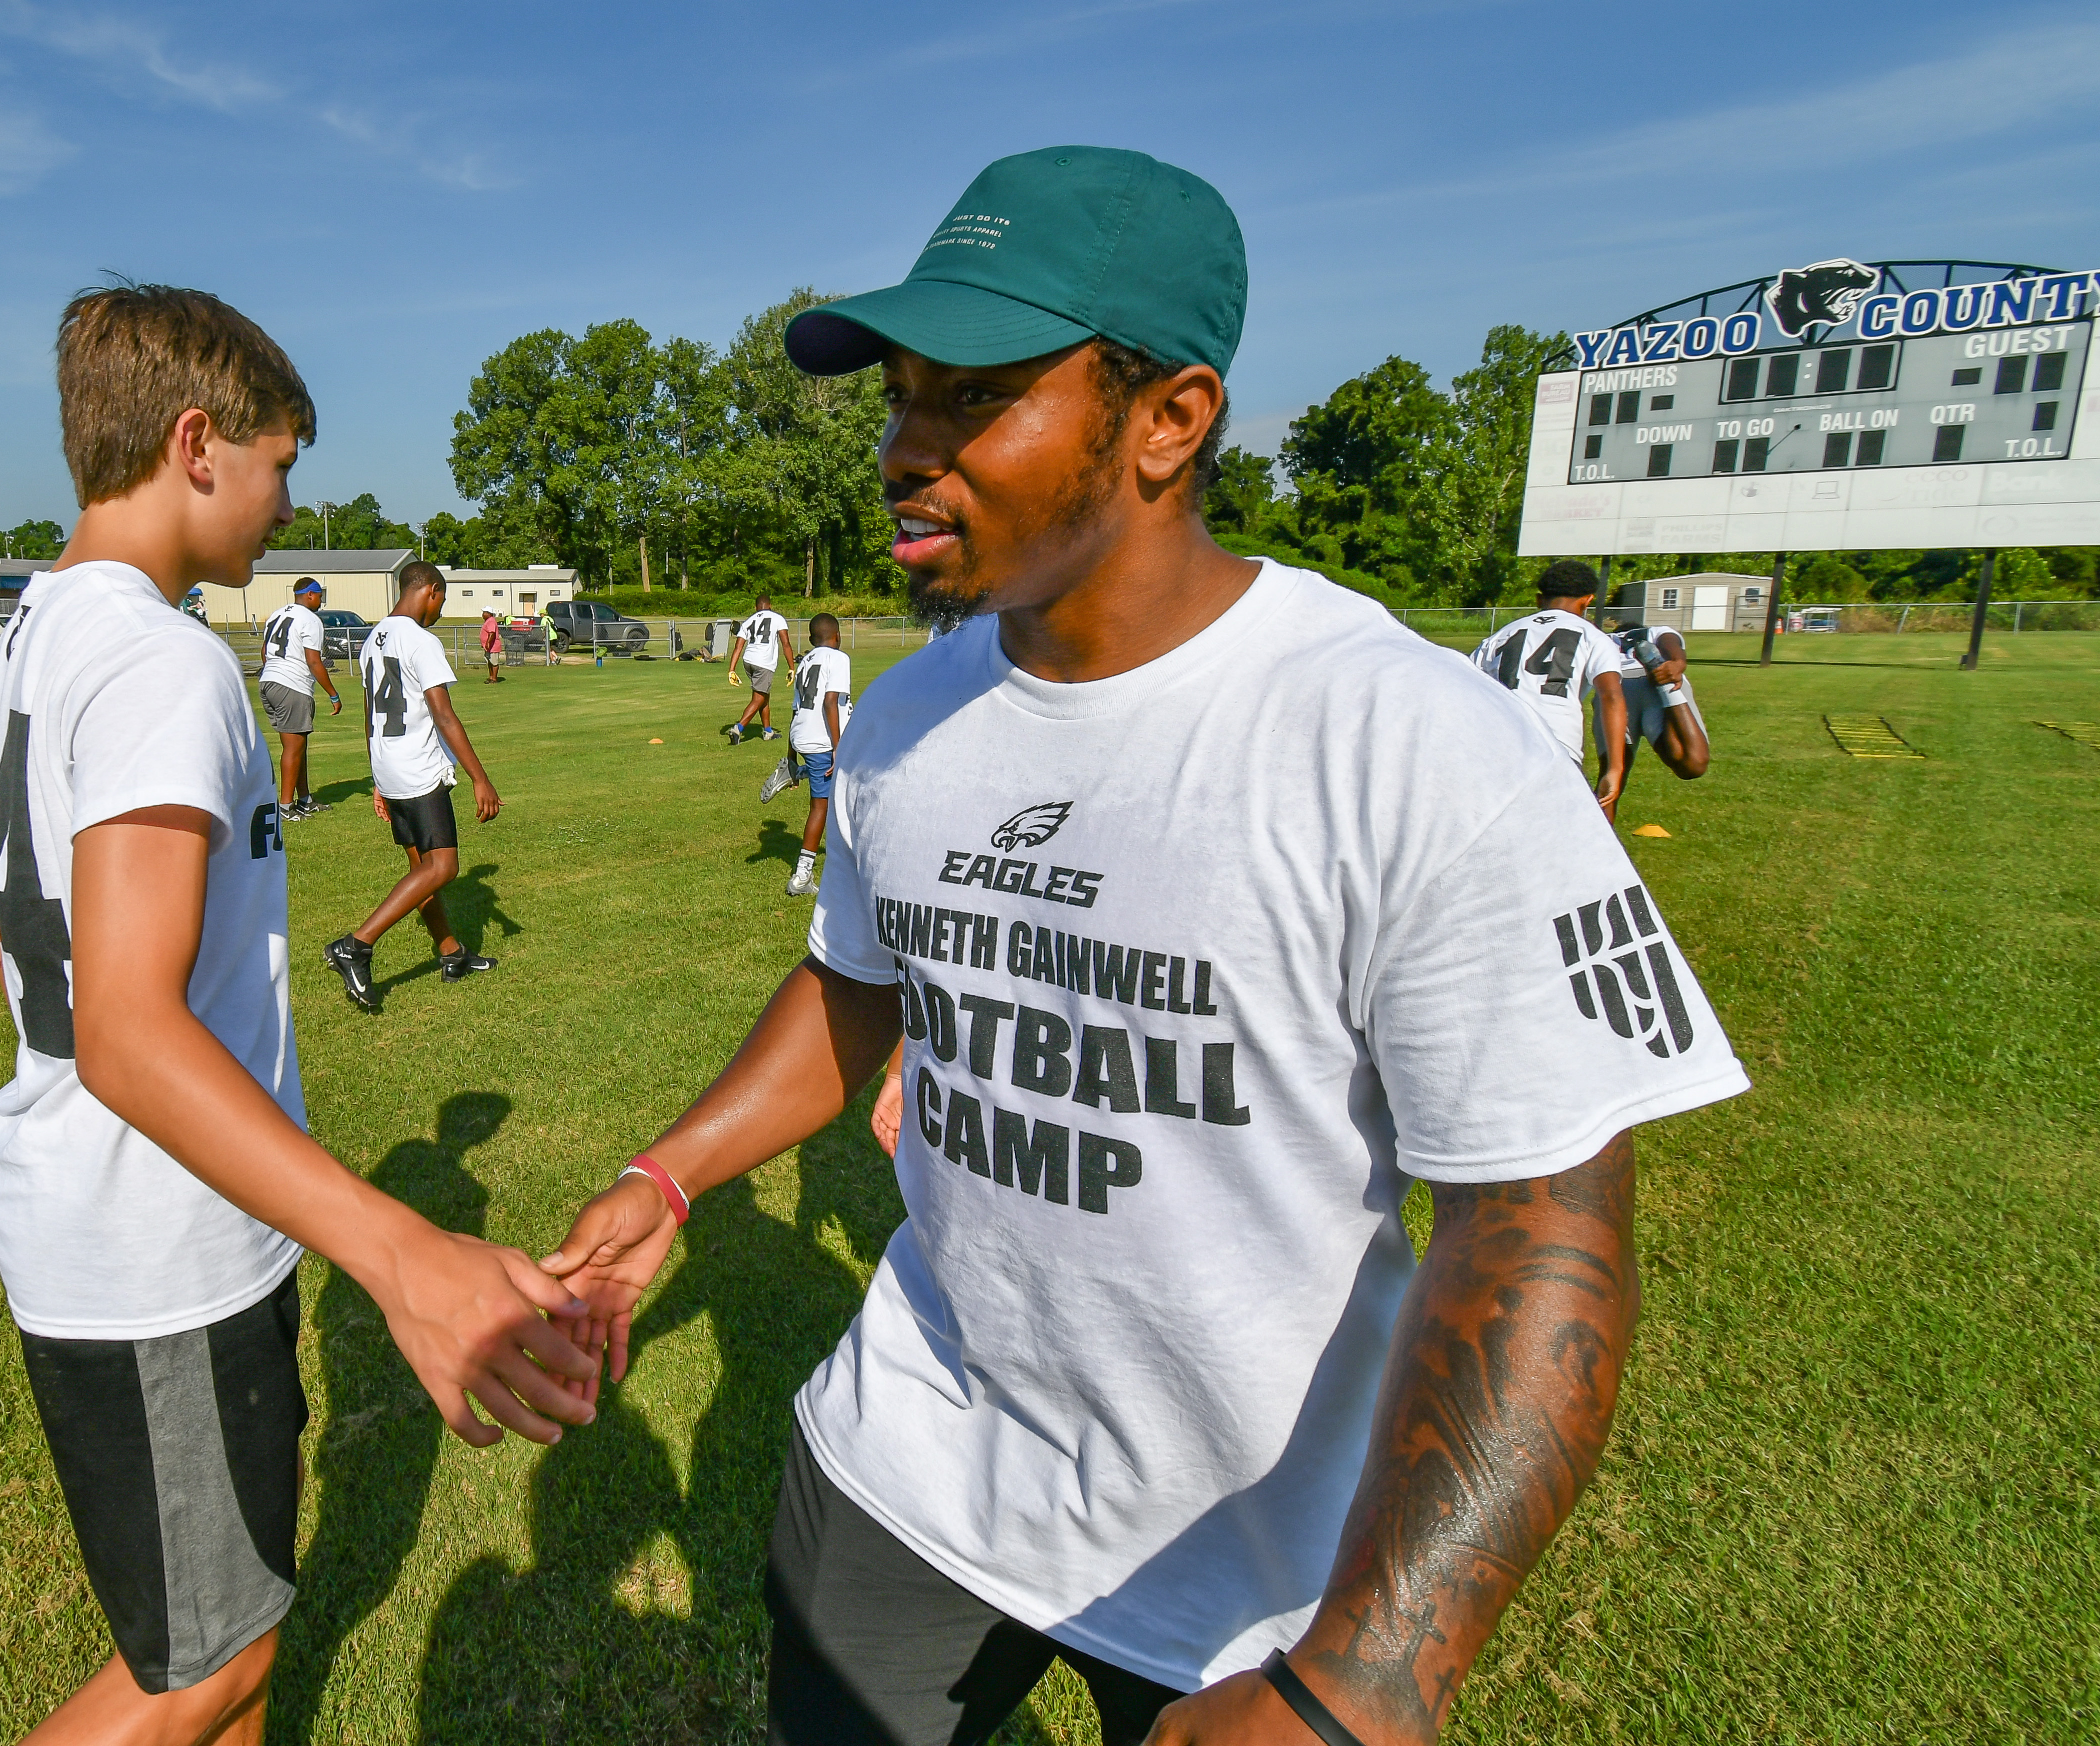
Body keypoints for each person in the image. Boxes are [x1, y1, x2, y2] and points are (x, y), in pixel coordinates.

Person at [537, 147, 1750, 1746]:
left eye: (972, 400)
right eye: (902, 398)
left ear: (1168, 420)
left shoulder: (1400, 740)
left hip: (1244, 1571)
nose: (905, 450)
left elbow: (1541, 1232)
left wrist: (1367, 1679)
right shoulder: (906, 723)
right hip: (908, 1469)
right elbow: (853, 986)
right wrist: (669, 1173)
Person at [0, 281, 593, 1746]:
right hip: (155, 1247)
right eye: (279, 469)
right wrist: (405, 1256)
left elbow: (12, 918)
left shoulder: (40, 626)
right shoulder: (157, 659)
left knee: (233, 1628)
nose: (282, 509)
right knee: (205, 1674)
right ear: (198, 445)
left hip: (120, 1218)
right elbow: (127, 1031)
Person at [319, 560, 500, 1010]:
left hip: (391, 769)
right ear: (432, 591)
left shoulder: (372, 639)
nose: (439, 611)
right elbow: (444, 715)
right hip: (419, 772)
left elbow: (370, 719)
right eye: (442, 601)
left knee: (422, 871)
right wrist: (481, 777)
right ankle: (356, 945)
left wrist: (378, 778)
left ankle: (451, 953)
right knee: (443, 868)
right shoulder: (422, 641)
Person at [1469, 561, 1629, 817]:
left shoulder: (1498, 637)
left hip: (1495, 750)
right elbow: (1611, 696)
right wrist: (1615, 768)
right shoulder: (1594, 637)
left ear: (1539, 599)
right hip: (1556, 749)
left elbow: (1466, 692)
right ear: (1587, 601)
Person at [767, 613, 847, 898]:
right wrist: (839, 747)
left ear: (813, 639)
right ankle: (802, 876)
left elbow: (795, 710)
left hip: (801, 736)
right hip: (822, 742)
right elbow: (830, 702)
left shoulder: (805, 662)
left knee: (847, 785)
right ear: (837, 637)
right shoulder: (839, 659)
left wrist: (791, 757)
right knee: (821, 807)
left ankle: (795, 771)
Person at [258, 575, 340, 819]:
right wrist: (333, 695)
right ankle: (285, 807)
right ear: (311, 595)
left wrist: (274, 672)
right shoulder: (310, 620)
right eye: (320, 597)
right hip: (291, 686)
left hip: (269, 682)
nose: (321, 603)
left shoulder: (276, 615)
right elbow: (313, 661)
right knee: (293, 749)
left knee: (298, 745)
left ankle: (305, 800)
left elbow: (265, 651)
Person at [1614, 620, 1711, 783]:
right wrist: (1677, 662)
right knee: (1692, 764)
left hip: (1619, 684)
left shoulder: (1602, 638)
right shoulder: (1654, 631)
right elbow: (1669, 641)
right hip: (1658, 679)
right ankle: (1663, 679)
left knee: (1613, 778)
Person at [724, 595, 794, 743]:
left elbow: (738, 647)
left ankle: (768, 731)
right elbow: (786, 644)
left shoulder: (749, 621)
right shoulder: (778, 618)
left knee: (764, 697)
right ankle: (738, 729)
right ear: (770, 606)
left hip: (748, 661)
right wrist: (791, 667)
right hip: (764, 663)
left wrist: (732, 670)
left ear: (756, 608)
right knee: (758, 699)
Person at [479, 608, 507, 682]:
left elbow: (492, 633)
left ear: (489, 614)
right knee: (490, 662)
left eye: (485, 613)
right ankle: (491, 677)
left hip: (493, 647)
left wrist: (488, 643)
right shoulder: (488, 621)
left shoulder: (491, 621)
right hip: (488, 647)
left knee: (494, 663)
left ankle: (494, 679)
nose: (483, 614)